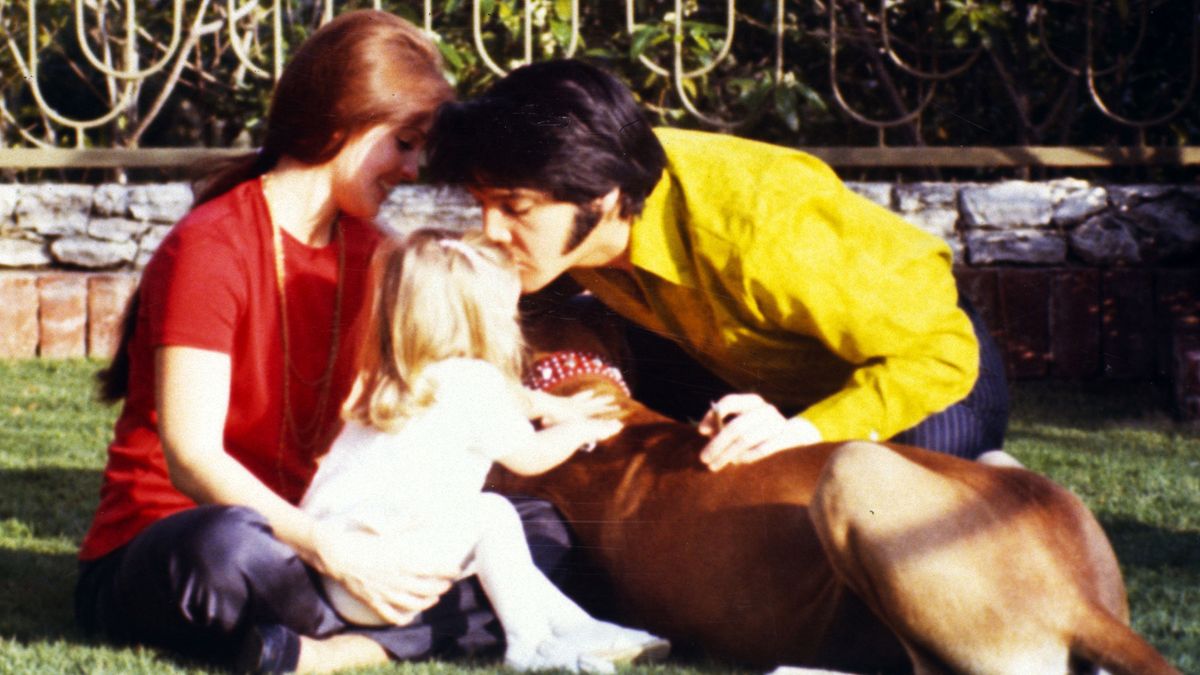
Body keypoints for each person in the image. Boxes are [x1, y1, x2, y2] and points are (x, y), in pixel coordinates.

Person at [74, 12, 580, 674]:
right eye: (404, 142)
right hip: (190, 543)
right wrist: (332, 551)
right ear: (348, 121)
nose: (412, 167)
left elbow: (442, 377)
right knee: (223, 549)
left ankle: (331, 649)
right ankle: (396, 631)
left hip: (329, 546)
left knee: (534, 530)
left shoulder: (376, 253)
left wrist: (552, 404)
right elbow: (191, 460)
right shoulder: (211, 245)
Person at [427, 59, 1014, 469]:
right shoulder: (568, 222)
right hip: (740, 362)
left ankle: (996, 479)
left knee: (889, 485)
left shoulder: (760, 222)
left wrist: (803, 433)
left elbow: (936, 349)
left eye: (514, 208)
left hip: (925, 357)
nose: (490, 231)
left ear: (600, 199)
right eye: (482, 205)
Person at [300, 229, 670, 673]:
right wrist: (580, 429)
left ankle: (582, 628)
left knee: (494, 547)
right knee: (491, 516)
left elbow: (514, 401)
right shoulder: (476, 382)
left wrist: (553, 404)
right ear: (481, 319)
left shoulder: (397, 379)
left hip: (334, 572)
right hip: (392, 582)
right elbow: (530, 456)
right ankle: (528, 646)